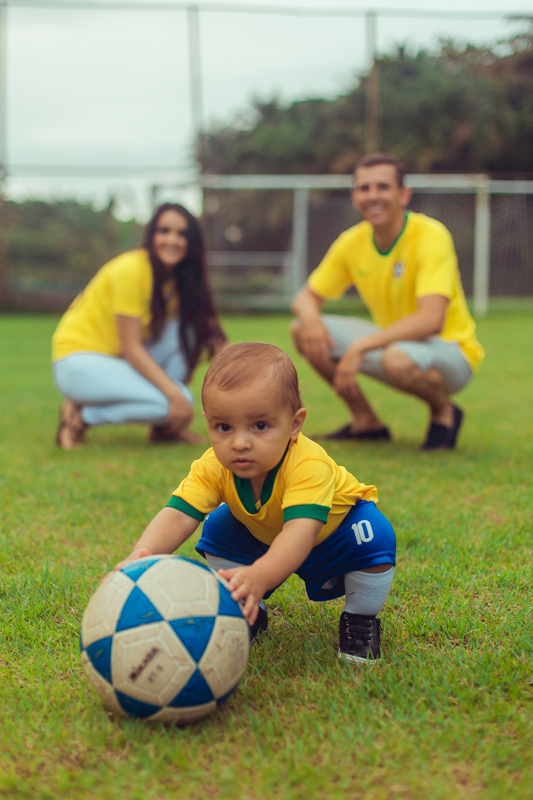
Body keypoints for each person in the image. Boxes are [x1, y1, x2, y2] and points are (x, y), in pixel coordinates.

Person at [116, 343, 396, 664]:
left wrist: (260, 574)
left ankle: (360, 619)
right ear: (208, 422)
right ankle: (246, 610)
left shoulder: (308, 465)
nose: (239, 443)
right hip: (267, 536)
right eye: (223, 427)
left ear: (295, 424)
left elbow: (299, 533)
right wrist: (142, 555)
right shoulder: (214, 465)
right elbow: (179, 514)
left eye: (260, 426)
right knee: (219, 527)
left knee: (374, 534)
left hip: (332, 534)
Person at [291, 152, 485, 450]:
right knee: (301, 328)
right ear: (354, 196)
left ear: (403, 194)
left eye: (383, 187)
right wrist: (311, 318)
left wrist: (360, 347)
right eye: (364, 188)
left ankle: (443, 412)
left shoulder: (430, 235)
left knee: (397, 358)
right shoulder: (352, 242)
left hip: (451, 351)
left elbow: (432, 319)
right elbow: (305, 297)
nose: (373, 196)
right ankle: (366, 422)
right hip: (394, 345)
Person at [52, 203, 226, 449]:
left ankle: (165, 428)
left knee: (187, 330)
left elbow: (208, 330)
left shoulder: (176, 279)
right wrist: (174, 395)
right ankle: (80, 417)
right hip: (78, 363)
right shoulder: (131, 270)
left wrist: (246, 370)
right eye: (164, 231)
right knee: (181, 400)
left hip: (114, 361)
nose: (172, 240)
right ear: (152, 235)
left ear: (192, 241)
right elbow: (131, 348)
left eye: (182, 234)